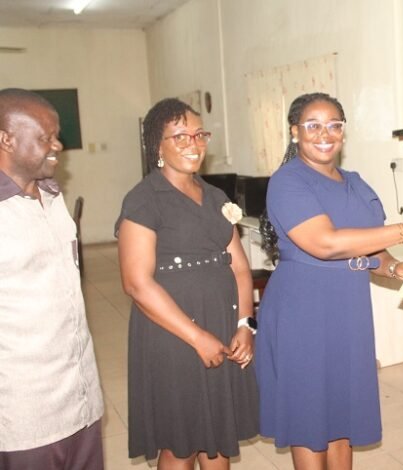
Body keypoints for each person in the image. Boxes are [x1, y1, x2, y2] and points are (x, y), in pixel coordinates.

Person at [254, 92, 403, 470]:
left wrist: (395, 268)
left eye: (333, 125)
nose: (324, 134)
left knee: (343, 412)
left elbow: (371, 246)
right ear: (294, 132)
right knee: (309, 416)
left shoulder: (356, 183)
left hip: (347, 310)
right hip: (303, 310)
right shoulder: (288, 181)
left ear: (343, 131)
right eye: (313, 125)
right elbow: (325, 244)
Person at [116, 98, 259, 469]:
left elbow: (241, 268)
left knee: (218, 437)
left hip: (222, 324)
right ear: (157, 145)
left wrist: (246, 325)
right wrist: (197, 338)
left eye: (199, 135)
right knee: (181, 443)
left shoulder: (215, 196)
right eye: (179, 136)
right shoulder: (144, 199)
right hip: (173, 332)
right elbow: (136, 283)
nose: (193, 144)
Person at [0, 88, 104, 469]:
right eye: (45, 137)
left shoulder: (52, 196)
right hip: (25, 415)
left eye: (56, 135)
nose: (57, 145)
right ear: (6, 139)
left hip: (81, 400)